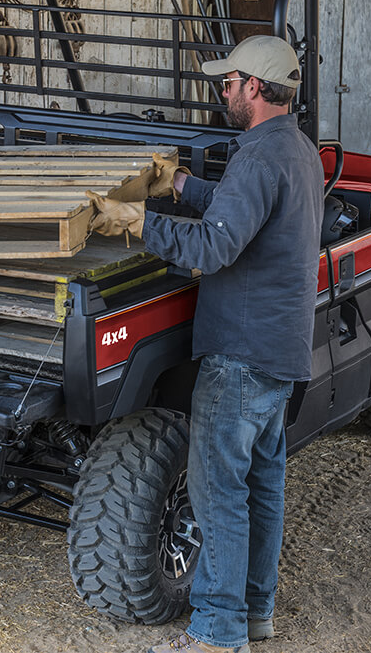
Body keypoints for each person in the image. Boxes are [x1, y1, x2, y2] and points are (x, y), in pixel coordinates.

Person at [92, 35, 324, 652]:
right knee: (262, 488)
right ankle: (256, 613)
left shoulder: (256, 159)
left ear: (256, 87)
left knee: (217, 492)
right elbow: (246, 211)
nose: (223, 91)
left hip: (241, 355)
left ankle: (218, 632)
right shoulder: (298, 150)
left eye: (229, 82)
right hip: (281, 351)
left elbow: (214, 246)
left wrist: (139, 222)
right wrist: (183, 185)